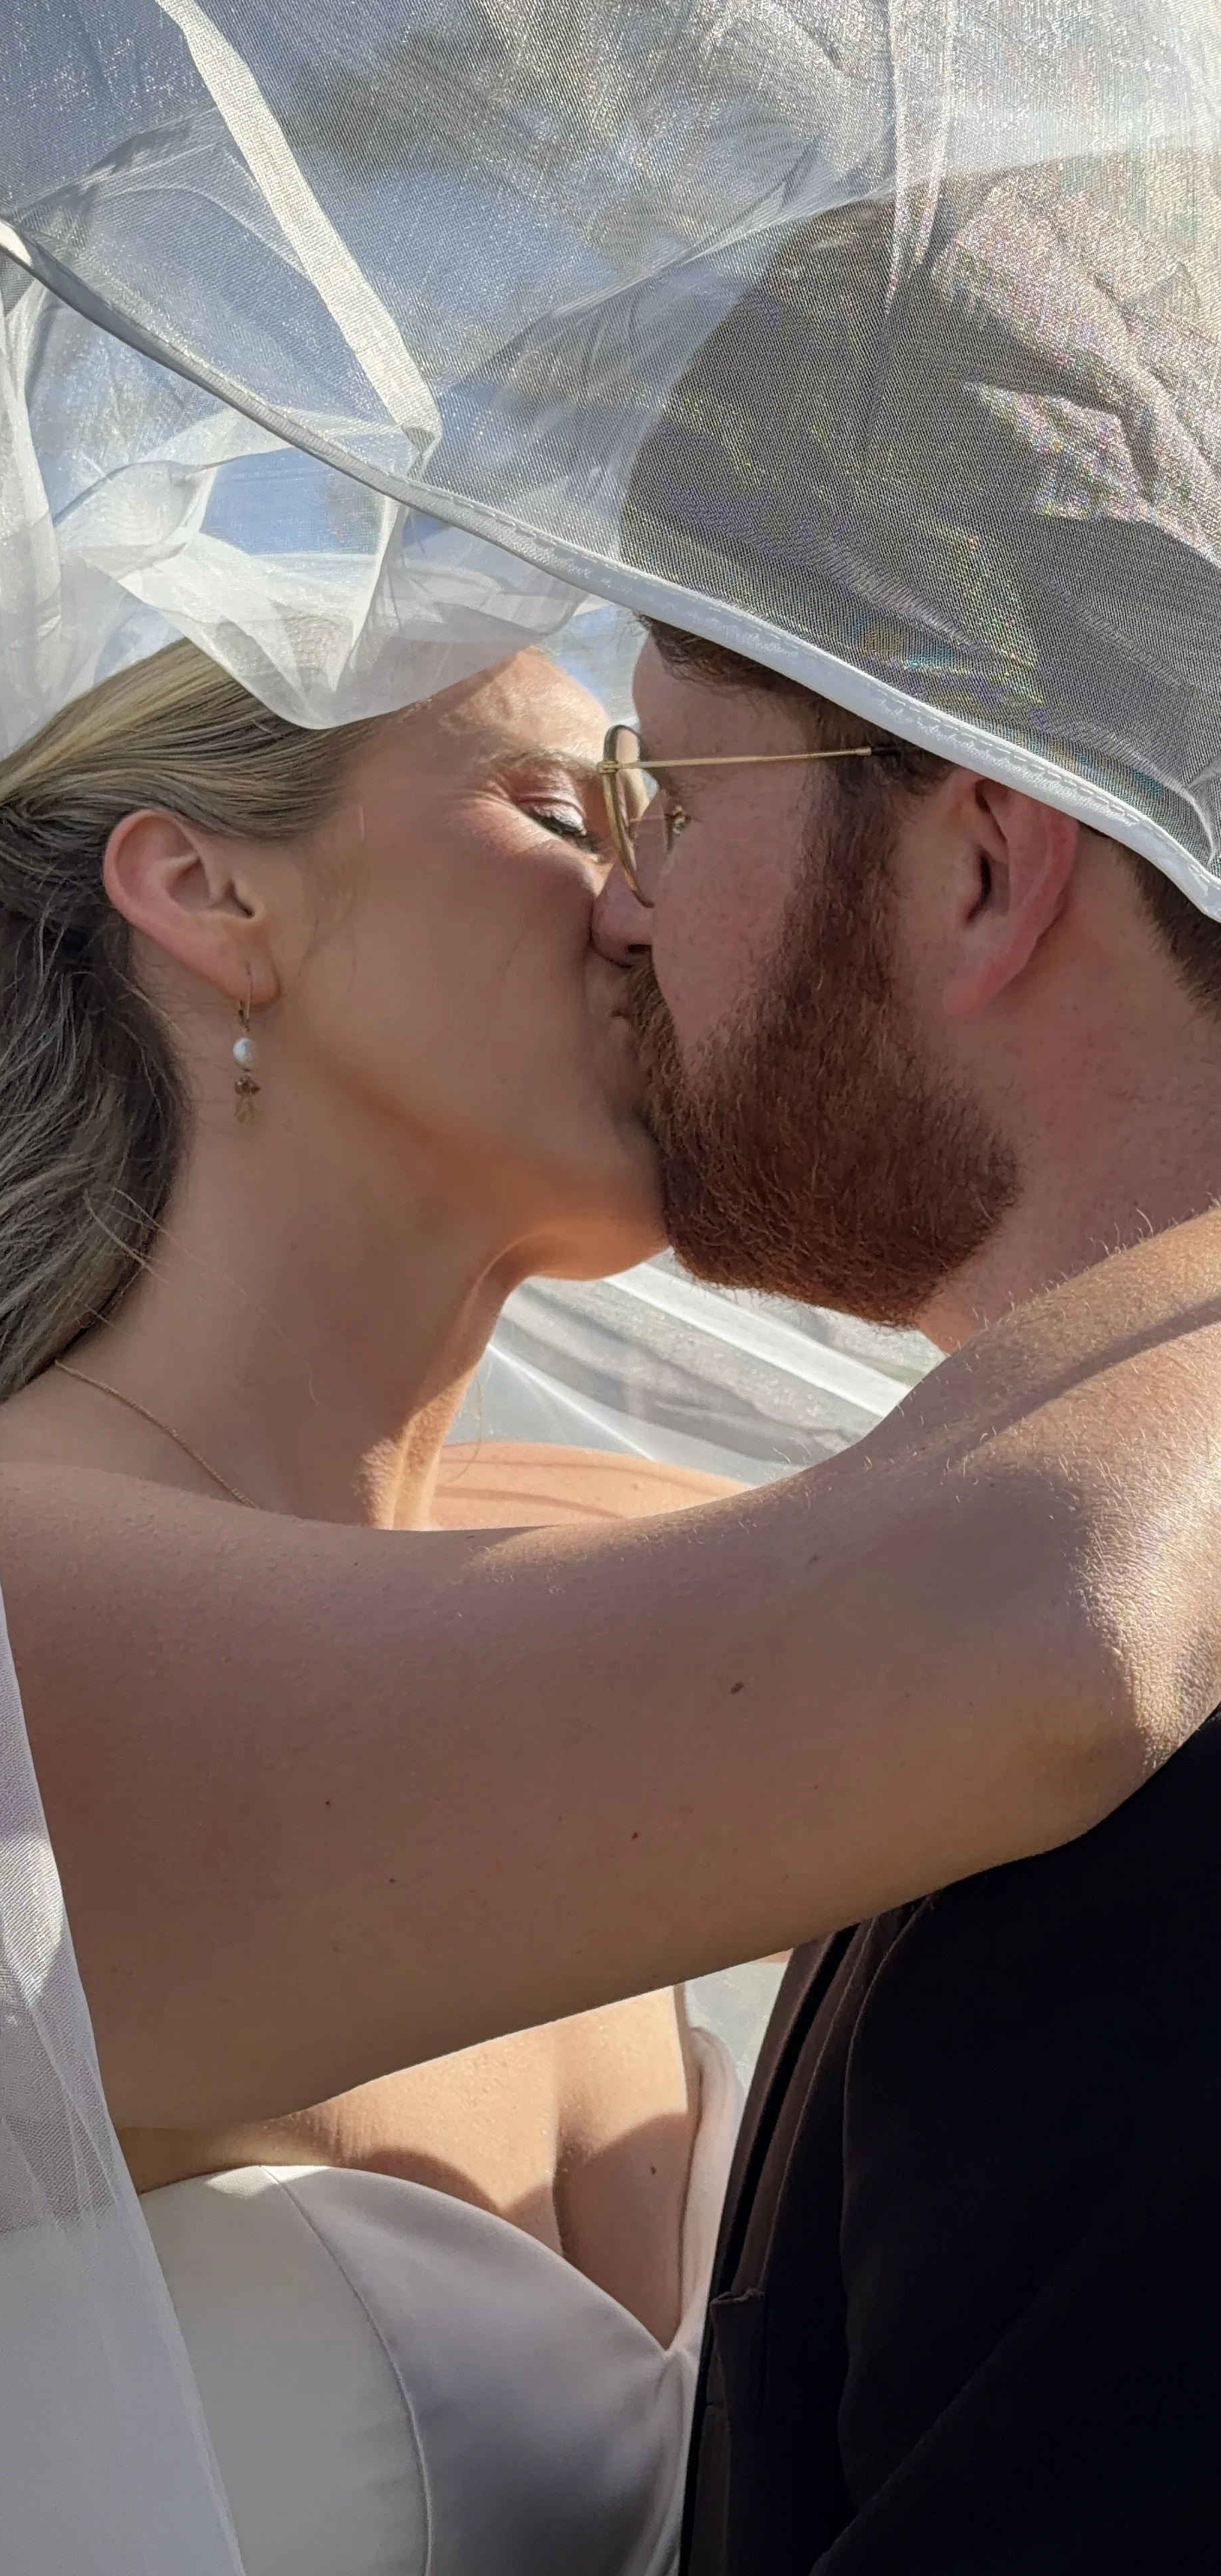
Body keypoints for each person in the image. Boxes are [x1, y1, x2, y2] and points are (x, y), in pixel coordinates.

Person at [0, 631, 1221, 2576]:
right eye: (574, 811)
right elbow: (1058, 1608)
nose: (643, 906)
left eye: (667, 811)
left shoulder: (631, 1561)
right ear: (212, 892)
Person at [594, 184, 1221, 2575]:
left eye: (663, 792)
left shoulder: (1145, 1744)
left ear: (980, 861)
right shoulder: (966, 1629)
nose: (619, 902)